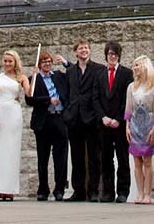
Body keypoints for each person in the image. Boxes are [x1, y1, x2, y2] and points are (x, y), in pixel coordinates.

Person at [63, 38, 107, 202]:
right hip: (74, 119)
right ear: (76, 52)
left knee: (94, 158)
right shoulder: (70, 72)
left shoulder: (98, 69)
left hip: (92, 118)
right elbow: (67, 94)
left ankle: (93, 190)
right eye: (81, 48)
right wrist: (67, 112)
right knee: (77, 158)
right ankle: (78, 190)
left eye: (86, 48)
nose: (84, 50)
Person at [27, 51, 69, 202]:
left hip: (59, 119)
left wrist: (65, 63)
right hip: (43, 122)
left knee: (61, 158)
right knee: (42, 158)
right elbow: (30, 99)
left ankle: (59, 189)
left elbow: (73, 73)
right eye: (44, 61)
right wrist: (48, 100)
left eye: (49, 61)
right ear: (39, 64)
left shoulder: (58, 76)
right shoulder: (34, 79)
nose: (47, 64)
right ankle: (43, 189)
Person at [125, 55, 154, 205]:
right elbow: (129, 108)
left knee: (147, 161)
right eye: (134, 65)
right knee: (136, 162)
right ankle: (140, 193)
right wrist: (127, 126)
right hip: (135, 125)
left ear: (145, 66)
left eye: (137, 65)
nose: (134, 68)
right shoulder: (131, 87)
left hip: (148, 125)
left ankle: (148, 194)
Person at [0, 50, 30, 201]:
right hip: (0, 114)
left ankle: (10, 190)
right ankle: (1, 189)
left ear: (15, 62)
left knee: (12, 152)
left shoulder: (21, 78)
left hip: (13, 114)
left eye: (10, 61)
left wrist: (32, 77)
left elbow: (29, 94)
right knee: (0, 152)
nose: (7, 64)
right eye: (5, 61)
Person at [96, 41, 133, 203]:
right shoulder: (100, 74)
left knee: (122, 158)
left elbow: (127, 98)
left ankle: (123, 192)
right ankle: (108, 192)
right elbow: (95, 98)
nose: (112, 57)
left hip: (120, 124)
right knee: (106, 158)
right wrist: (103, 117)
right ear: (106, 55)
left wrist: (118, 118)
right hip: (104, 124)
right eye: (110, 54)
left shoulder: (127, 74)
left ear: (118, 56)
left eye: (115, 55)